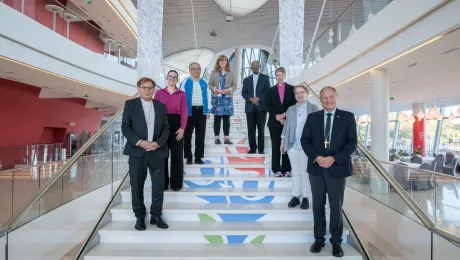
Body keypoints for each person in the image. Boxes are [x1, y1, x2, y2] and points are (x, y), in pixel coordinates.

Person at [301, 86, 357, 258]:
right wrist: (316, 157)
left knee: (336, 207)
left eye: (331, 96)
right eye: (324, 98)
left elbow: (352, 143)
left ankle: (336, 242)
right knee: (317, 206)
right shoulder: (312, 117)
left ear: (336, 97)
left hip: (337, 168)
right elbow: (305, 140)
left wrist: (334, 158)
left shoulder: (347, 117)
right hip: (316, 168)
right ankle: (319, 239)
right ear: (320, 99)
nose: (328, 100)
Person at [121, 77, 170, 231]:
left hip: (157, 152)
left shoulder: (160, 106)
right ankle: (140, 217)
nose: (147, 90)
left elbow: (166, 128)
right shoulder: (130, 104)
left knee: (158, 186)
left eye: (150, 87)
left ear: (154, 89)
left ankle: (156, 216)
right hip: (137, 152)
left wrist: (158, 143)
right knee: (136, 186)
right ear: (138, 88)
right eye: (144, 87)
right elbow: (125, 127)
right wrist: (139, 142)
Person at [280, 85, 319, 209]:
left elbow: (318, 129)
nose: (299, 95)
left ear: (307, 93)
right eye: (297, 93)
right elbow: (286, 127)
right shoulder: (291, 109)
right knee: (295, 172)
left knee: (305, 172)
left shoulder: (314, 108)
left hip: (307, 146)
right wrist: (282, 143)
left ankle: (306, 197)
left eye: (302, 92)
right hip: (292, 144)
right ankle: (296, 196)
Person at [154, 70, 187, 191]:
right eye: (170, 76)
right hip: (162, 124)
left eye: (174, 77)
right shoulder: (158, 93)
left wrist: (182, 128)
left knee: (177, 155)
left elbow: (184, 112)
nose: (172, 79)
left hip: (176, 124)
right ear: (166, 78)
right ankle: (162, 183)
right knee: (162, 155)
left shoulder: (182, 94)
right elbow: (155, 110)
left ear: (177, 79)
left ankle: (176, 184)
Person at [266, 67, 296, 177]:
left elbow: (293, 105)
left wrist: (284, 117)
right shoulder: (270, 90)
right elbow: (268, 105)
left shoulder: (292, 89)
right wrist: (277, 117)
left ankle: (287, 169)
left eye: (281, 74)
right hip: (274, 123)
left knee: (287, 146)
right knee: (276, 146)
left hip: (288, 122)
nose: (279, 77)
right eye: (277, 75)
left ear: (285, 75)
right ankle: (276, 169)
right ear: (275, 76)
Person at [181, 62, 211, 164]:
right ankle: (189, 157)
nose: (196, 71)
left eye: (198, 69)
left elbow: (208, 97)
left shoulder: (204, 82)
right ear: (190, 70)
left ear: (200, 70)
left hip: (201, 111)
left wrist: (208, 110)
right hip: (189, 111)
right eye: (193, 69)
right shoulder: (185, 82)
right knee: (187, 135)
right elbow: (181, 97)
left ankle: (198, 157)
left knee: (200, 135)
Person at [241, 60, 270, 154]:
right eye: (253, 65)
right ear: (251, 67)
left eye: (256, 65)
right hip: (250, 107)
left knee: (261, 129)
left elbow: (267, 90)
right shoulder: (246, 79)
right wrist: (250, 99)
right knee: (251, 129)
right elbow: (243, 92)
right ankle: (252, 149)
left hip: (261, 107)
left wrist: (259, 98)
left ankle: (261, 149)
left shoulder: (265, 77)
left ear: (259, 66)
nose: (255, 67)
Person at [208, 55, 237, 145]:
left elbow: (235, 85)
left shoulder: (231, 73)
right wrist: (216, 89)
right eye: (221, 60)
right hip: (217, 98)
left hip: (227, 98)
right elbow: (210, 85)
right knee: (217, 118)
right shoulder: (213, 72)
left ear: (227, 62)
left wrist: (228, 90)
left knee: (226, 118)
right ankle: (217, 138)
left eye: (224, 60)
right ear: (218, 62)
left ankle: (226, 139)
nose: (223, 62)